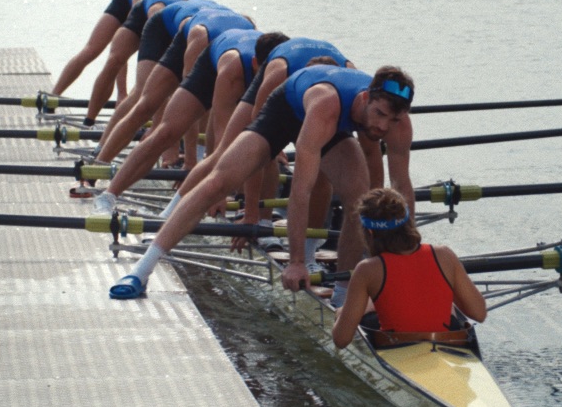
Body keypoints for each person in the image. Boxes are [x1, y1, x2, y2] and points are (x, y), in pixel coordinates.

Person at [109, 64, 416, 300]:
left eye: (393, 120)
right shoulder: (327, 107)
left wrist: (410, 252)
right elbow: (301, 190)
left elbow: (402, 187)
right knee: (218, 182)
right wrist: (295, 261)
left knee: (360, 200)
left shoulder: (399, 126)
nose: (382, 126)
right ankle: (142, 270)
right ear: (365, 98)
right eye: (379, 114)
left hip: (330, 125)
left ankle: (344, 294)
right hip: (287, 109)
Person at [90, 29, 286, 208]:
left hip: (237, 60)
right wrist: (193, 163)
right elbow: (221, 137)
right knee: (166, 132)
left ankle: (258, 212)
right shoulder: (231, 68)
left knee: (265, 150)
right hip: (212, 64)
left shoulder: (288, 70)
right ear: (256, 64)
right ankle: (109, 194)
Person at [88, 0, 245, 172]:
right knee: (145, 103)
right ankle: (98, 165)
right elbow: (187, 95)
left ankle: (203, 157)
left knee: (215, 102)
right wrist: (185, 156)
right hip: (162, 30)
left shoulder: (250, 48)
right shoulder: (200, 35)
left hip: (209, 39)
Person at [330, 187, 487, 350]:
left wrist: (342, 314)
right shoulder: (445, 255)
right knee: (452, 312)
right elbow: (479, 313)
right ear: (408, 222)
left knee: (360, 317)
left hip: (395, 347)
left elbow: (341, 340)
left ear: (369, 232)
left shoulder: (367, 270)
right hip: (445, 343)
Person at [48, 0, 174, 105]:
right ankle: (54, 95)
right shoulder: (141, 0)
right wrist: (122, 93)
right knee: (92, 50)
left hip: (159, 7)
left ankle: (142, 105)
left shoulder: (177, 13)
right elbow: (121, 50)